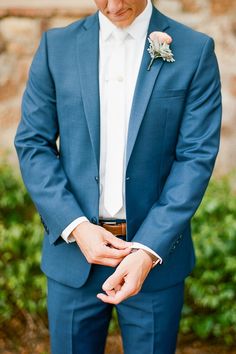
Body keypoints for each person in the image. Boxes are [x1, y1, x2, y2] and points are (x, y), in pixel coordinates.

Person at [14, 0, 222, 353]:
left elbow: (196, 157)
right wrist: (76, 226)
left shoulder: (194, 50)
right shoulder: (56, 48)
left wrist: (146, 249)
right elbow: (33, 145)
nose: (113, 6)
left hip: (154, 260)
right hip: (73, 256)